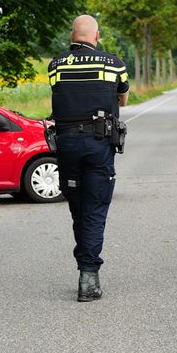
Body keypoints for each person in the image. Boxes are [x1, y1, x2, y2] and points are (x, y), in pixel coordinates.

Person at [47, 15, 129, 301]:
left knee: (78, 209)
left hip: (66, 146)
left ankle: (84, 266)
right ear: (96, 36)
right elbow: (123, 99)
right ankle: (88, 278)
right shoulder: (114, 63)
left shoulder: (55, 65)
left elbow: (60, 94)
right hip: (98, 145)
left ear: (73, 35)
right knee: (94, 209)